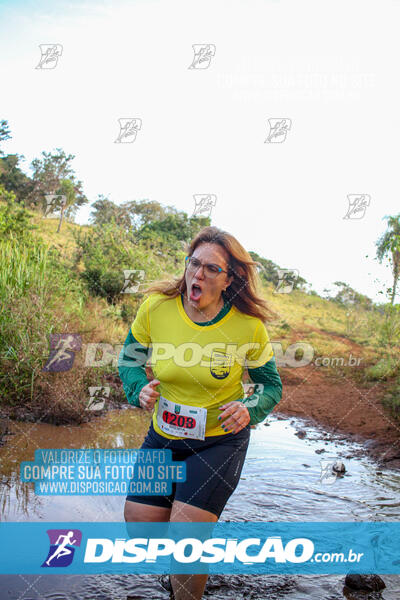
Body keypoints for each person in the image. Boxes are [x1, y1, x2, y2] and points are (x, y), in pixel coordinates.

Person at [118, 225, 283, 600]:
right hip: (164, 435)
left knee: (186, 536)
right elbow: (129, 360)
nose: (198, 274)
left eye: (212, 269)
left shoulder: (247, 327)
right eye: (195, 263)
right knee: (140, 528)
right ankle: (186, 565)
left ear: (229, 279)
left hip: (218, 443)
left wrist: (250, 409)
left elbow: (270, 386)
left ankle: (187, 583)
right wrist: (136, 389)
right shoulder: (156, 308)